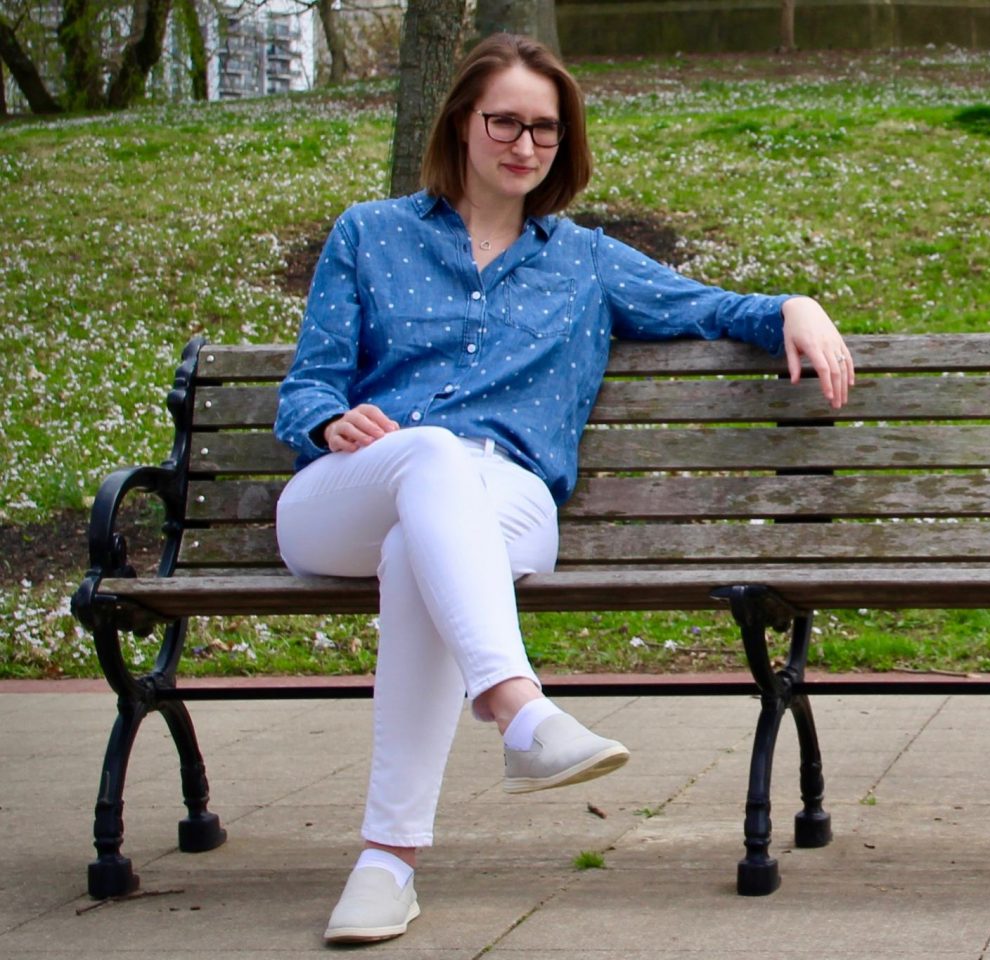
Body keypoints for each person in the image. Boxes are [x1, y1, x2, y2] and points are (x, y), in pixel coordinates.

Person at [273, 32, 853, 945]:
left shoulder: (583, 259)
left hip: (504, 501)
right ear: (464, 122)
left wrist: (795, 306)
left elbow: (707, 306)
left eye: (544, 129)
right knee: (428, 459)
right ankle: (520, 711)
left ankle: (387, 865)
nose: (524, 145)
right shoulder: (369, 234)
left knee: (416, 547)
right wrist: (324, 422)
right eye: (505, 121)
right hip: (357, 486)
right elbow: (309, 382)